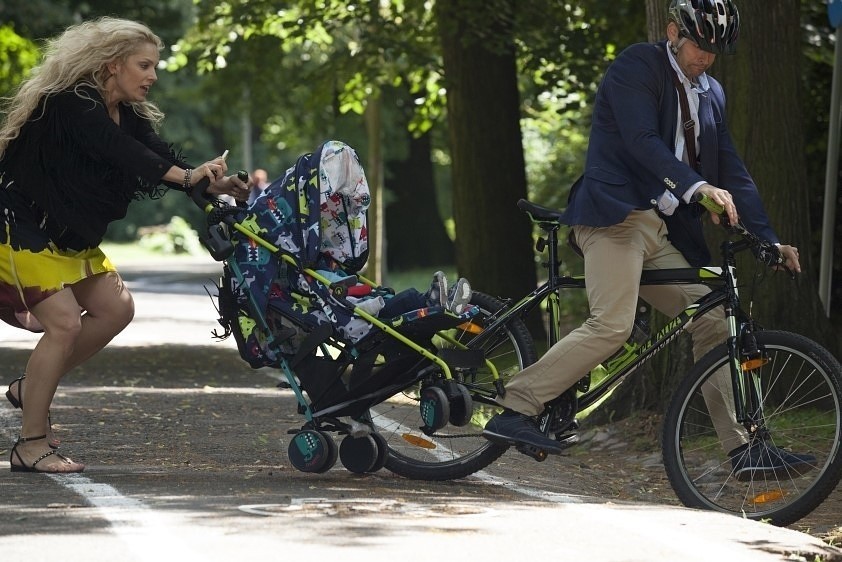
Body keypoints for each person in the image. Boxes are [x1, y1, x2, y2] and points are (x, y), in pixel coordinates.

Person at [483, 0, 814, 478]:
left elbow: (732, 171)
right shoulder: (638, 65)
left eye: (716, 50)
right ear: (674, 31)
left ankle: (745, 451)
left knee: (716, 321)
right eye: (700, 45)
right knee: (612, 325)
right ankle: (516, 408)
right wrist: (698, 188)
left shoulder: (711, 93)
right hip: (613, 217)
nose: (706, 58)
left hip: (657, 231)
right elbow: (641, 142)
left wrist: (768, 239)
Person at [0, 17, 250, 473]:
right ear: (112, 65)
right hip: (18, 227)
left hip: (64, 236)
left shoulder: (127, 114)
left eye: (155, 66)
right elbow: (120, 152)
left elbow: (156, 153)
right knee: (64, 325)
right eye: (145, 65)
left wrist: (211, 183)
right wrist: (187, 176)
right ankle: (30, 445)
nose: (153, 76)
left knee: (117, 310)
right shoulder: (71, 103)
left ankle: (29, 386)